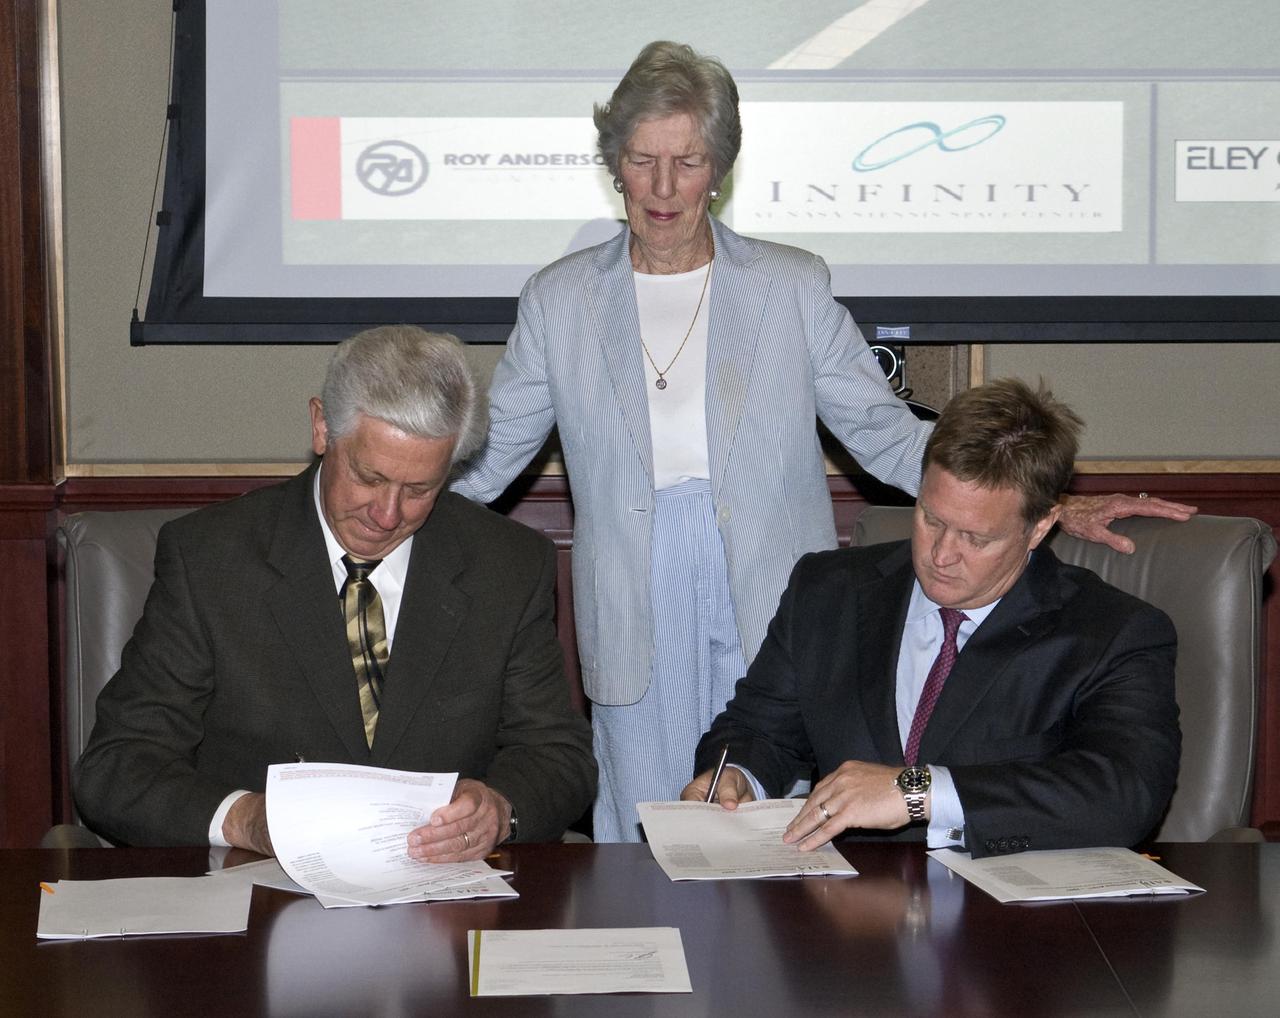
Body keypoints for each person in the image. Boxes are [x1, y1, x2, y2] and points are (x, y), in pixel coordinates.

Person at [450, 40, 1193, 842]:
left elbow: (881, 432)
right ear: (614, 165)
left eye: (688, 161)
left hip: (772, 584)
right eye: (642, 160)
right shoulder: (559, 300)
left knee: (771, 805)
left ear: (721, 168)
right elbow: (491, 457)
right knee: (645, 820)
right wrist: (391, 507)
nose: (663, 188)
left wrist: (1057, 501)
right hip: (630, 591)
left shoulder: (788, 285)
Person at [75, 326, 596, 857]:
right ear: (323, 427)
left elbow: (558, 755)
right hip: (260, 897)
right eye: (369, 477)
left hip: (440, 906)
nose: (387, 514)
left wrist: (499, 809)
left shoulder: (505, 565)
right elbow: (118, 766)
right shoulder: (212, 560)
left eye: (419, 490)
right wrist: (245, 819)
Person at [682, 379, 1181, 857]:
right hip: (841, 910)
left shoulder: (1111, 632)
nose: (941, 555)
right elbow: (760, 729)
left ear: (1040, 527)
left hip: (1003, 922)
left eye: (976, 538)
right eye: (931, 519)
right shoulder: (828, 592)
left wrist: (916, 790)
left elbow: (1125, 793)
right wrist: (736, 775)